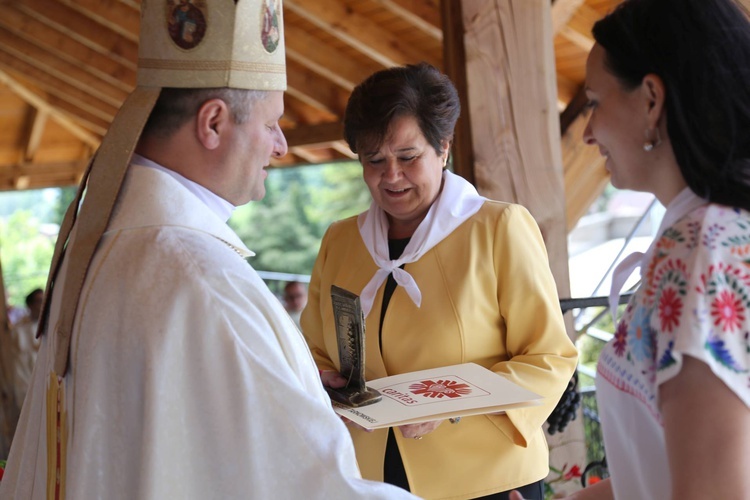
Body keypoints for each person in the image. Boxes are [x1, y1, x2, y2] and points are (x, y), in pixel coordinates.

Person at [0, 2, 418, 499]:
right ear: (214, 123)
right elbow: (314, 489)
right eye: (270, 124)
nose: (282, 144)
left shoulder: (101, 244)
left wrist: (289, 388)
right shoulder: (201, 279)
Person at [301, 62, 579, 500]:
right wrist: (321, 378)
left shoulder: (498, 227)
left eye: (407, 157)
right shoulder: (340, 241)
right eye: (374, 161)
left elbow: (549, 357)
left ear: (443, 148)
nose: (390, 175)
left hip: (485, 476)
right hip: (370, 476)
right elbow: (313, 347)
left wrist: (452, 405)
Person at [512, 1, 750, 499]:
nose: (588, 130)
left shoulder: (701, 253)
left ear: (651, 99)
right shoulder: (707, 235)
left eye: (595, 101)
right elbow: (667, 470)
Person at [8, 288, 43, 406]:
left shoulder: (50, 327)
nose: (42, 305)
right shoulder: (18, 331)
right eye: (39, 301)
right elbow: (19, 364)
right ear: (30, 305)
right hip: (28, 382)